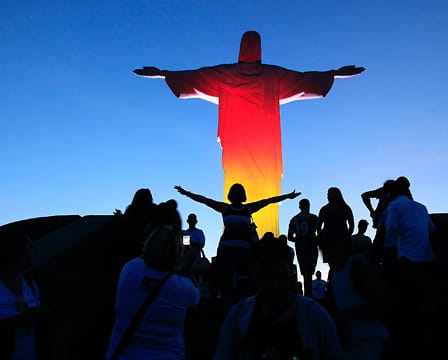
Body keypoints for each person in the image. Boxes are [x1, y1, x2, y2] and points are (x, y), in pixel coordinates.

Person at [134, 30, 365, 237]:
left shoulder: (231, 74)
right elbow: (304, 79)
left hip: (252, 149)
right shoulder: (269, 75)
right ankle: (259, 239)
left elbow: (195, 77)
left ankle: (262, 240)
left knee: (256, 190)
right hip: (257, 149)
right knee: (255, 191)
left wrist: (164, 74)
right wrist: (333, 74)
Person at [214, 235, 343, 360]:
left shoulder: (238, 316)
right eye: (265, 279)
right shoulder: (316, 315)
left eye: (279, 278)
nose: (273, 286)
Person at [174, 183, 300, 308]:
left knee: (241, 281)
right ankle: (227, 308)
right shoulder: (237, 209)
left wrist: (287, 196)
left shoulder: (233, 209)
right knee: (226, 280)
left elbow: (269, 201)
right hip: (230, 250)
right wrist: (186, 193)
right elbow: (204, 200)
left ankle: (237, 307)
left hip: (239, 250)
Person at [105, 225, 200, 360]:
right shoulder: (184, 288)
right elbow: (196, 297)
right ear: (177, 253)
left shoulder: (129, 269)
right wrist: (186, 265)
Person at [384, 181, 437, 359]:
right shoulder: (422, 207)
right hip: (427, 260)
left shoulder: (394, 206)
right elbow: (432, 229)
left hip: (408, 260)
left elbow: (390, 230)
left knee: (407, 307)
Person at [330, 245, 389, 360]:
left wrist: (346, 315)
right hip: (353, 345)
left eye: (328, 246)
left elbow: (382, 304)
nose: (324, 253)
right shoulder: (335, 274)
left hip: (374, 340)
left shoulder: (357, 266)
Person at [0, 231, 45, 360]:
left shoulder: (30, 283)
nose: (31, 253)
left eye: (31, 248)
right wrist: (18, 321)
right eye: (27, 249)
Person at [317, 187, 354, 271]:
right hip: (328, 240)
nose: (328, 195)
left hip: (342, 240)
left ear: (337, 195)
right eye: (328, 193)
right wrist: (321, 237)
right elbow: (318, 225)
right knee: (332, 265)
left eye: (330, 193)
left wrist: (347, 237)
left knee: (342, 264)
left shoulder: (345, 208)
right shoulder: (324, 209)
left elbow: (351, 224)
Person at [288, 198, 319, 297]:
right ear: (308, 206)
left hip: (300, 247)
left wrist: (298, 240)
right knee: (309, 271)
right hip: (311, 245)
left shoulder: (293, 219)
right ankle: (308, 294)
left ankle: (307, 294)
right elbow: (319, 232)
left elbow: (289, 237)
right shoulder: (314, 218)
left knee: (304, 270)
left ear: (300, 206)